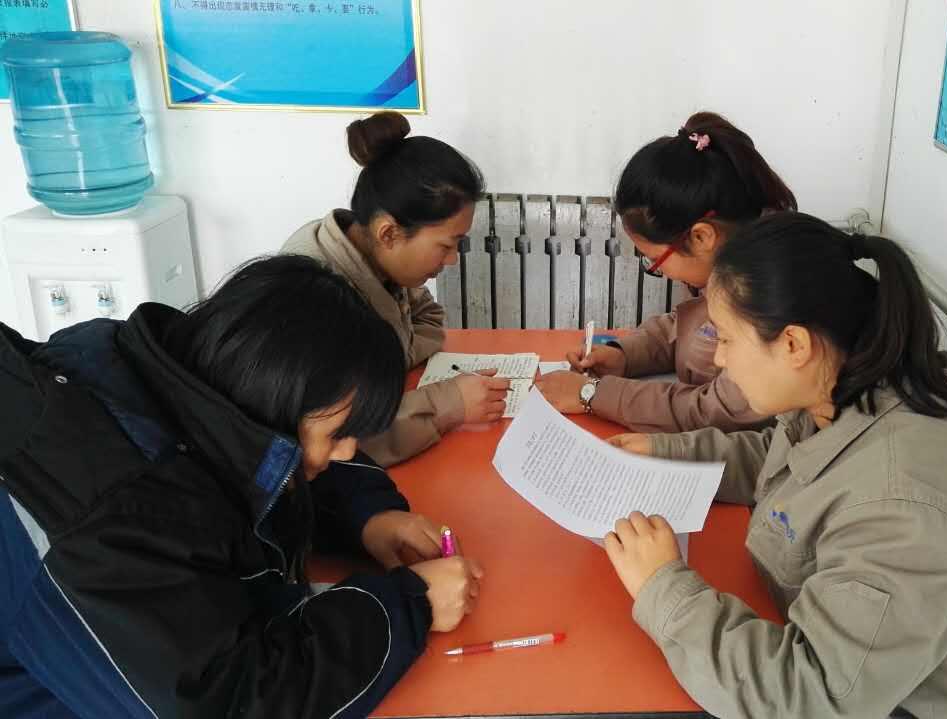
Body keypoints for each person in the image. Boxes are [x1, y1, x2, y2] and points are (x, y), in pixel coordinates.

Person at [603, 213, 947, 718]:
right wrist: (666, 454)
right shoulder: (844, 392)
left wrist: (663, 587)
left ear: (794, 344)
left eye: (727, 339)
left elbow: (809, 698)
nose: (721, 360)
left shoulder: (906, 508)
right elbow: (782, 460)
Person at [0, 256, 483, 718]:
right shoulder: (109, 519)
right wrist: (409, 605)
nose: (346, 452)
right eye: (339, 434)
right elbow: (230, 701)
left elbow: (265, 458)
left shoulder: (181, 374)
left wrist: (369, 515)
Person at [535, 111, 794, 433]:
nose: (661, 271)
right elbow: (688, 328)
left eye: (655, 260)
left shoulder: (774, 293)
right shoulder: (729, 265)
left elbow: (718, 410)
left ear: (701, 237)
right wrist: (625, 356)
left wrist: (593, 394)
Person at [285, 110, 509, 466]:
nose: (452, 260)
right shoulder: (313, 295)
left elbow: (428, 316)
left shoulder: (373, 254)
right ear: (388, 233)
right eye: (446, 245)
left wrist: (389, 366)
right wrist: (447, 403)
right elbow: (327, 440)